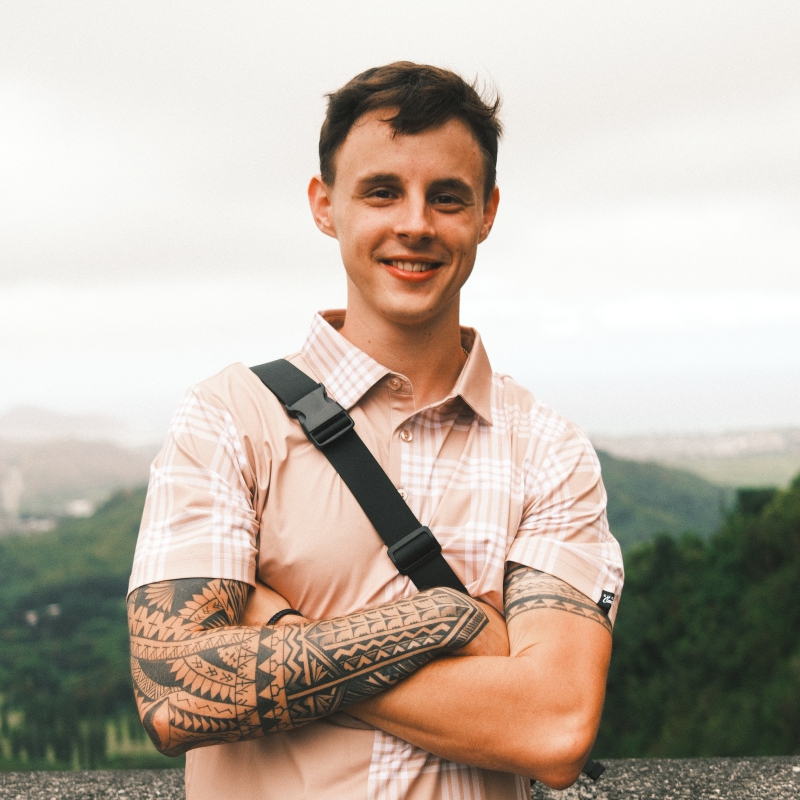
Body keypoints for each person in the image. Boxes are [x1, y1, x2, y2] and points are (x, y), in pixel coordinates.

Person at [127, 61, 624, 800]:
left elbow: (552, 728)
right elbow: (173, 692)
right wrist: (451, 617)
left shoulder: (548, 451)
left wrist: (279, 628)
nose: (415, 224)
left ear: (487, 212)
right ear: (324, 205)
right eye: (382, 191)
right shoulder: (228, 417)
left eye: (446, 197)